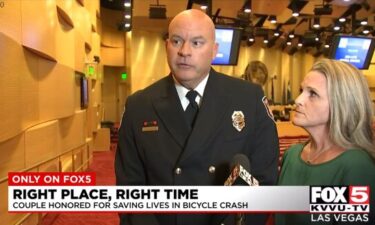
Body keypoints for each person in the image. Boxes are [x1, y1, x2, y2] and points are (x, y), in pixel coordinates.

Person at [115, 9, 279, 225]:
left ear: (214, 50)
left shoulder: (249, 99)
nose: (184, 51)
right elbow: (130, 191)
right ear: (167, 46)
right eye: (176, 41)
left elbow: (264, 179)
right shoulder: (139, 106)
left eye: (197, 43)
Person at [276, 59, 375, 225]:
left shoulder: (358, 165)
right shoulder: (292, 155)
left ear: (341, 104)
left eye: (312, 94)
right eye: (301, 90)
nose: (298, 100)